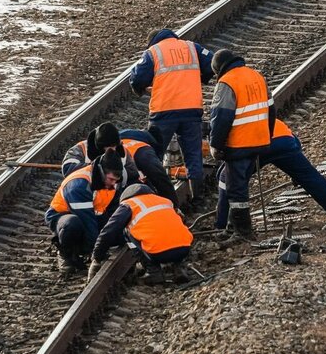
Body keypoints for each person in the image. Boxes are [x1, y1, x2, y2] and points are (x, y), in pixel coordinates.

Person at [215, 117, 326, 232]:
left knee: (225, 178)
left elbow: (231, 157)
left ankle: (223, 225)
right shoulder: (263, 116)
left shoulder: (226, 127)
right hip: (284, 141)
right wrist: (296, 175)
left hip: (258, 144)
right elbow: (295, 141)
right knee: (309, 176)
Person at [129, 29, 214, 199]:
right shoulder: (192, 47)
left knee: (153, 156)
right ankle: (196, 197)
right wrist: (200, 78)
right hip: (191, 110)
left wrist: (142, 88)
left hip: (163, 112)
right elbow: (213, 62)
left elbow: (136, 78)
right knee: (193, 156)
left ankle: (153, 198)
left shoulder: (153, 52)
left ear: (152, 41)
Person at [208, 48, 274, 240]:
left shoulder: (227, 82)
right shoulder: (256, 76)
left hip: (239, 144)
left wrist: (215, 145)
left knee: (236, 190)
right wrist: (267, 136)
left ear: (219, 69)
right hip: (259, 141)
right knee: (238, 183)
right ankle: (231, 227)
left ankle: (242, 232)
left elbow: (221, 117)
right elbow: (272, 109)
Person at [89, 184, 194, 283]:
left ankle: (153, 272)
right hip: (184, 249)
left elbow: (109, 231)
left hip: (157, 253)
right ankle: (179, 268)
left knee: (127, 231)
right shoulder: (166, 201)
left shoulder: (129, 204)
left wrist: (97, 257)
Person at [62, 122, 178, 207]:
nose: (112, 150)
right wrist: (97, 168)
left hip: (111, 199)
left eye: (114, 146)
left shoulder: (123, 153)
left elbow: (133, 179)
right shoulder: (80, 149)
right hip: (86, 196)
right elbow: (68, 169)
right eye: (109, 146)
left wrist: (150, 197)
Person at [45, 151, 124, 271]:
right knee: (72, 224)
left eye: (116, 181)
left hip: (93, 216)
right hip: (62, 216)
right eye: (111, 179)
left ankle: (85, 249)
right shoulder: (78, 185)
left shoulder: (111, 183)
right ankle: (65, 254)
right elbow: (87, 221)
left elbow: (113, 214)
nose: (113, 184)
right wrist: (97, 252)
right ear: (102, 172)